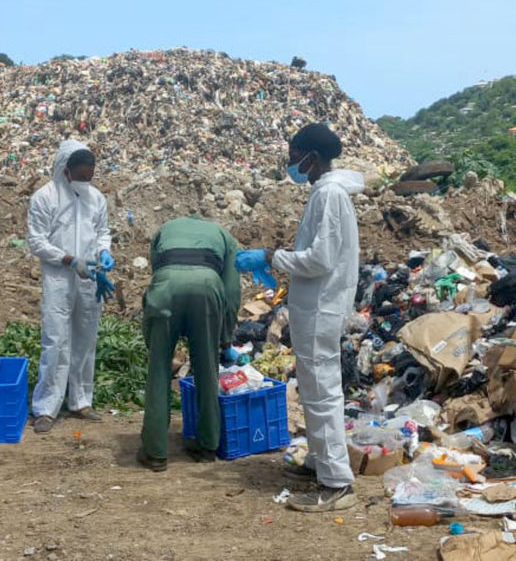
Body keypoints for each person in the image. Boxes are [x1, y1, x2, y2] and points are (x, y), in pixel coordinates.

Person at [237, 123, 364, 512]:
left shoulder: (329, 194)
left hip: (322, 306)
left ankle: (337, 483)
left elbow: (320, 259)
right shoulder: (326, 192)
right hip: (318, 305)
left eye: (294, 156)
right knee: (314, 389)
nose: (290, 163)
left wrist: (272, 256)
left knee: (322, 392)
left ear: (312, 156)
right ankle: (320, 461)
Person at [138, 217, 241, 471]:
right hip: (207, 286)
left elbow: (157, 269)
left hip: (166, 285)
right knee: (207, 368)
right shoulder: (225, 236)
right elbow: (231, 291)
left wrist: (153, 337)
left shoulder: (164, 229)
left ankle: (155, 452)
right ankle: (207, 446)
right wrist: (225, 338)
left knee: (159, 369)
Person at [27, 139, 113, 433]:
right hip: (58, 278)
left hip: (90, 278)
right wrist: (69, 260)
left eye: (90, 176)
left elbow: (102, 232)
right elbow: (37, 241)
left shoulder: (95, 198)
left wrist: (104, 252)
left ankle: (80, 400)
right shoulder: (45, 197)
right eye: (81, 176)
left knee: (86, 339)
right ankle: (46, 406)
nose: (85, 181)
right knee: (56, 339)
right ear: (66, 170)